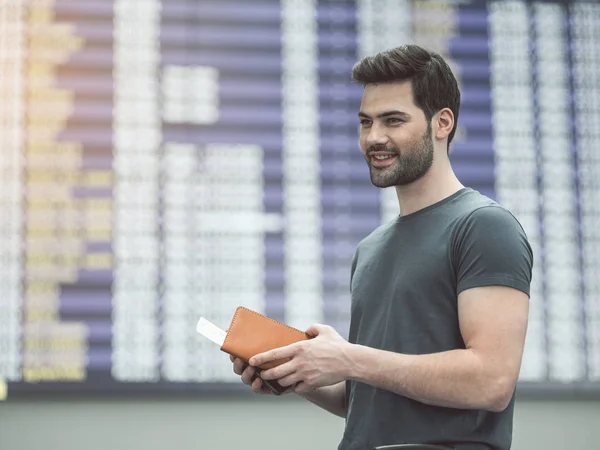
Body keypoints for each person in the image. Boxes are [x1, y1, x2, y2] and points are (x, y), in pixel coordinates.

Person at [231, 44, 533, 450]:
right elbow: (369, 400)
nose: (374, 138)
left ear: (442, 123)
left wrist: (348, 358)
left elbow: (491, 381)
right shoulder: (371, 249)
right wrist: (299, 372)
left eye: (393, 120)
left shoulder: (484, 226)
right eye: (366, 122)